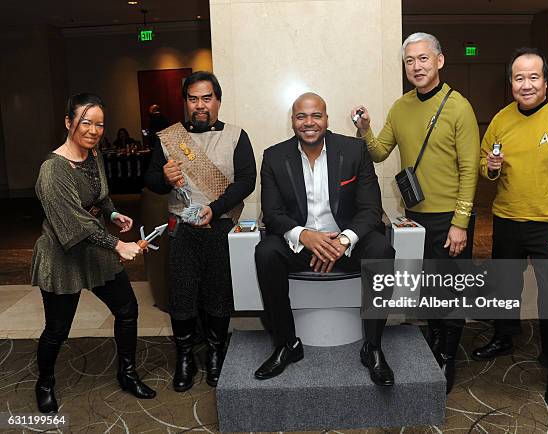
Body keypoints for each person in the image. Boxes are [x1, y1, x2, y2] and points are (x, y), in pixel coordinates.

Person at [351, 32, 480, 393]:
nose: (417, 66)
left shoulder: (459, 106)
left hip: (451, 218)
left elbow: (470, 169)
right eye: (410, 61)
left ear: (439, 61)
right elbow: (378, 152)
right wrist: (364, 129)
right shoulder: (400, 106)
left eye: (424, 59)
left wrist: (460, 223)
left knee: (450, 291)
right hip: (415, 218)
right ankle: (436, 342)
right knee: (427, 288)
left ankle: (448, 356)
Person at [472, 47, 548, 407]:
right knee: (504, 284)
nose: (526, 84)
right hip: (507, 217)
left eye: (533, 77)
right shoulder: (501, 119)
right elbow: (484, 166)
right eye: (518, 78)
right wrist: (491, 165)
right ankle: (505, 335)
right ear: (511, 82)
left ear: (545, 80)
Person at [254, 92, 395, 386]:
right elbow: (273, 213)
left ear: (326, 119)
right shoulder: (274, 156)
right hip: (301, 244)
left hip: (345, 243)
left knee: (382, 249)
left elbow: (371, 210)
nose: (309, 123)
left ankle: (373, 347)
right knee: (266, 252)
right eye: (301, 116)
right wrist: (305, 236)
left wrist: (343, 241)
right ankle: (287, 344)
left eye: (316, 115)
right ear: (292, 121)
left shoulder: (354, 150)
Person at [31, 93, 156, 414]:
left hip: (94, 247)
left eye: (100, 124)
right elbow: (74, 225)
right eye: (86, 122)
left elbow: (100, 196)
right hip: (63, 254)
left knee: (127, 309)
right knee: (57, 329)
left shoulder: (94, 154)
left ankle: (127, 373)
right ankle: (44, 383)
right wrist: (118, 244)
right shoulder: (53, 170)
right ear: (68, 122)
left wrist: (113, 214)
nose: (94, 130)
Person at [144, 71, 256, 390]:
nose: (200, 105)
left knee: (218, 294)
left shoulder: (236, 136)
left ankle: (216, 353)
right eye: (193, 99)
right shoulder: (169, 137)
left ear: (218, 101)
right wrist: (164, 178)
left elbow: (246, 180)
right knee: (181, 295)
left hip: (220, 226)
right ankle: (185, 358)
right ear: (186, 103)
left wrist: (215, 209)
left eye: (207, 98)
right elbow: (150, 180)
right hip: (182, 228)